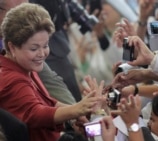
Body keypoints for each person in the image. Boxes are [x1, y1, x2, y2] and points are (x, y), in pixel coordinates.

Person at [0, 3, 102, 141]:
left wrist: (74, 115)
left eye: (46, 45)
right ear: (12, 47)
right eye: (34, 48)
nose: (42, 54)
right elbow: (36, 113)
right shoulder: (10, 78)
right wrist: (78, 109)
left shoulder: (25, 65)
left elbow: (47, 102)